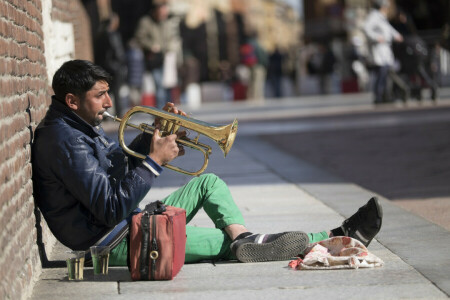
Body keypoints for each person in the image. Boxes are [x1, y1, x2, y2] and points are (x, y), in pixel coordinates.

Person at [32, 59, 383, 265]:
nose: (108, 101)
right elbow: (109, 207)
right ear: (72, 100)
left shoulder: (75, 127)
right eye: (99, 95)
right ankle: (335, 236)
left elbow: (111, 167)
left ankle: (244, 238)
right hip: (113, 242)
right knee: (220, 244)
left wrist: (150, 135)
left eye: (107, 91)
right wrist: (153, 161)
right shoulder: (65, 142)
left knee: (209, 182)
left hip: (128, 223)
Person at [134, 0, 182, 108]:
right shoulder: (146, 22)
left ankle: (169, 112)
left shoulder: (168, 22)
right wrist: (151, 45)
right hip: (154, 59)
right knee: (159, 86)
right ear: (155, 11)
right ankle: (161, 114)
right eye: (161, 12)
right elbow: (139, 38)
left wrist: (172, 48)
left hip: (167, 58)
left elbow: (174, 38)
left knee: (169, 87)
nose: (163, 15)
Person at [364, 0, 405, 104]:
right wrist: (377, 37)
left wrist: (396, 35)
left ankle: (386, 95)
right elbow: (366, 28)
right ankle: (379, 96)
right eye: (385, 7)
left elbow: (389, 29)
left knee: (386, 74)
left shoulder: (382, 17)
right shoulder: (374, 16)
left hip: (385, 49)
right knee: (381, 74)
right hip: (379, 49)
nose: (387, 9)